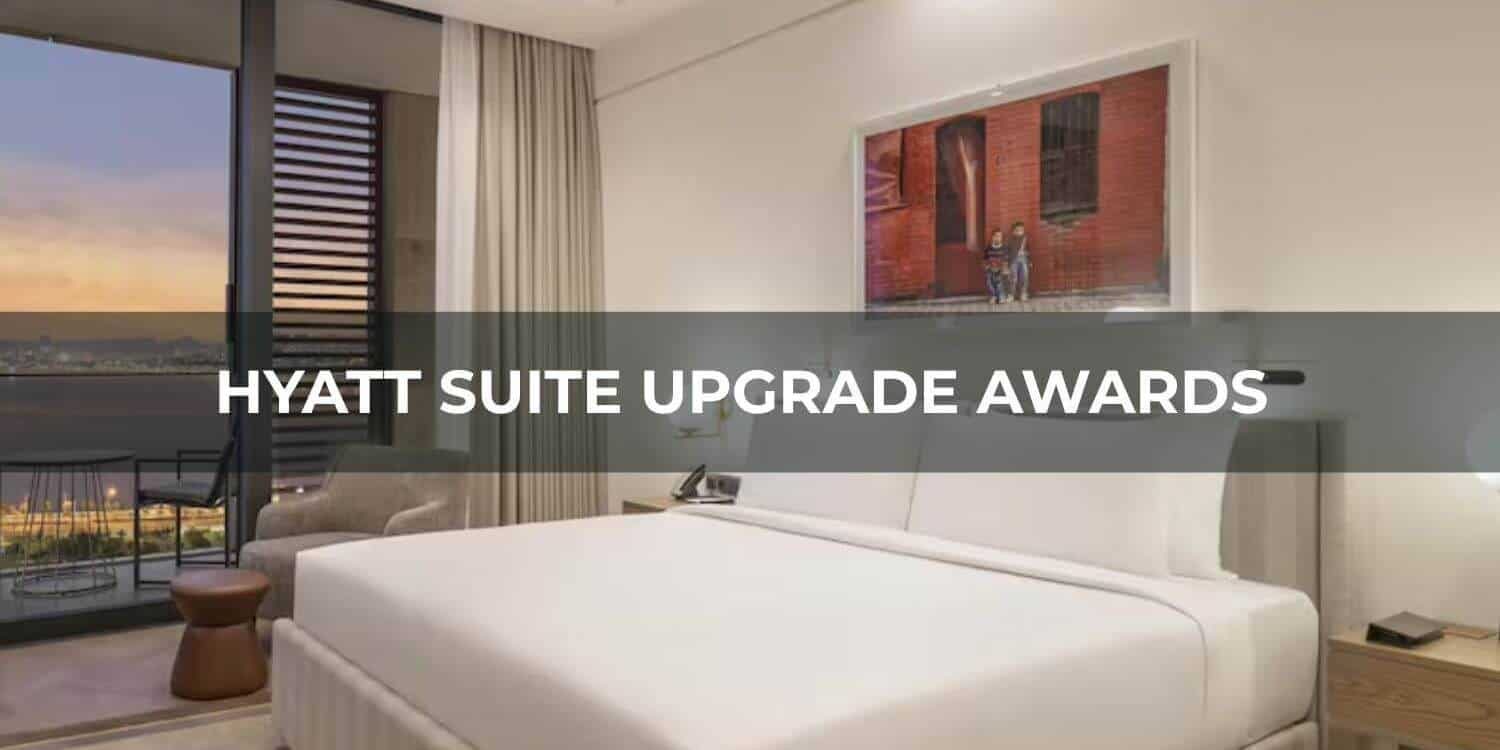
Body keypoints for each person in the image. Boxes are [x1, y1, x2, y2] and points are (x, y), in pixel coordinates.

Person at [982, 228, 1010, 304]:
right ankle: (993, 296)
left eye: (999, 236)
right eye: (995, 236)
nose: (997, 238)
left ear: (1001, 238)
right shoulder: (988, 248)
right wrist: (986, 266)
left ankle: (1001, 296)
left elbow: (1006, 260)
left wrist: (1005, 268)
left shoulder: (1004, 248)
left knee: (999, 282)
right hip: (990, 268)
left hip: (1000, 269)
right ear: (992, 237)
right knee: (989, 282)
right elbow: (985, 258)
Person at [1007, 221, 1031, 302]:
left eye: (1021, 230)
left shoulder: (1025, 239)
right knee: (1013, 278)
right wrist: (1006, 261)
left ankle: (1023, 293)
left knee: (1024, 277)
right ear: (1013, 231)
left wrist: (1029, 261)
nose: (1019, 232)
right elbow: (1006, 251)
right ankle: (1011, 294)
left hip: (1023, 260)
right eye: (1017, 230)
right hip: (1013, 261)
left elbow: (1028, 250)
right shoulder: (1010, 240)